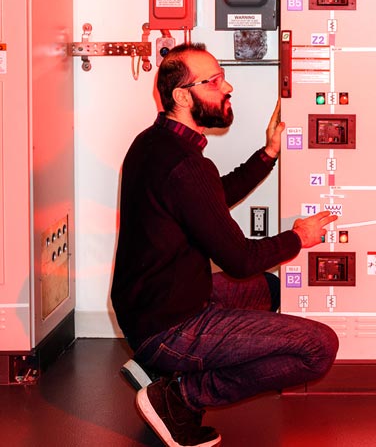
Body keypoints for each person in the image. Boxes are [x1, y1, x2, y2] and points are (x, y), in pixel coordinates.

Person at [111, 43, 339, 447]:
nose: (227, 86)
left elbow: (209, 197)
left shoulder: (153, 143)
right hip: (170, 326)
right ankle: (180, 396)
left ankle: (160, 371)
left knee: (270, 289)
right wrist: (298, 237)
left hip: (149, 308)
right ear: (183, 96)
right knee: (318, 347)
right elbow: (239, 259)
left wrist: (268, 153)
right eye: (214, 82)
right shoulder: (185, 164)